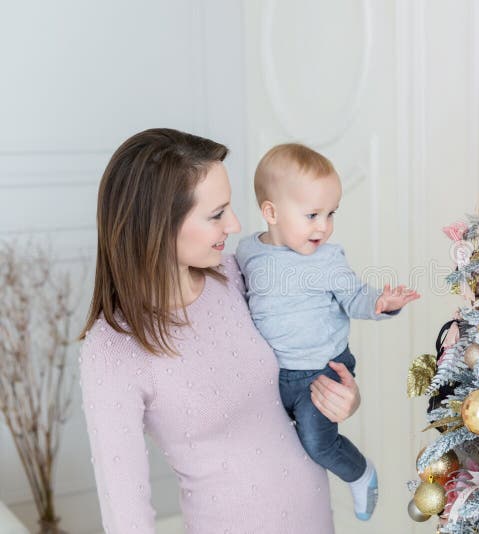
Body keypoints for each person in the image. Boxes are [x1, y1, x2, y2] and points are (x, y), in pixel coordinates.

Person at [78, 128, 360, 533]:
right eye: (216, 214)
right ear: (158, 224)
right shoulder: (113, 349)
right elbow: (126, 514)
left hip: (314, 514)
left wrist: (342, 399)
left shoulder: (237, 274)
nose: (235, 224)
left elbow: (302, 367)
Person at [235, 144, 419, 521]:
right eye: (312, 214)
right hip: (275, 374)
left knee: (317, 444)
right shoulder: (247, 252)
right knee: (274, 447)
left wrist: (382, 304)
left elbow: (355, 298)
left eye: (330, 213)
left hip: (321, 370)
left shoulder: (328, 259)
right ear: (271, 212)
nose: (324, 226)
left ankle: (359, 473)